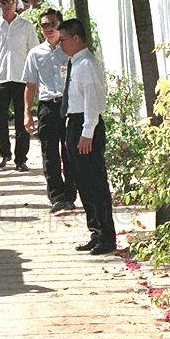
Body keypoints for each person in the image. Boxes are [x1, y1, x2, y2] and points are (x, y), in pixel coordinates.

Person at [58, 18, 117, 256]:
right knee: (81, 181)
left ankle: (107, 234)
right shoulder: (75, 63)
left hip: (85, 124)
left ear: (76, 38)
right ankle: (96, 231)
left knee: (94, 182)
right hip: (74, 122)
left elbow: (92, 101)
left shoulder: (86, 64)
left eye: (63, 39)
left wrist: (87, 132)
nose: (60, 44)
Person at [22, 8, 77, 213]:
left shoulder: (70, 50)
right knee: (49, 153)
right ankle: (56, 196)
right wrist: (27, 112)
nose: (48, 28)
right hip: (47, 106)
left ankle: (70, 195)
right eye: (44, 25)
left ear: (60, 25)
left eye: (52, 24)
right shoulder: (35, 53)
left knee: (69, 152)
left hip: (70, 105)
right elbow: (30, 85)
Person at [0, 0, 39, 171]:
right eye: (4, 2)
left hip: (21, 78)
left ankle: (21, 158)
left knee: (22, 120)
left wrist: (34, 79)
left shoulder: (26, 26)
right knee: (0, 118)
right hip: (1, 78)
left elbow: (33, 53)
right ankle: (4, 153)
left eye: (11, 1)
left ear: (17, 3)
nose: (7, 5)